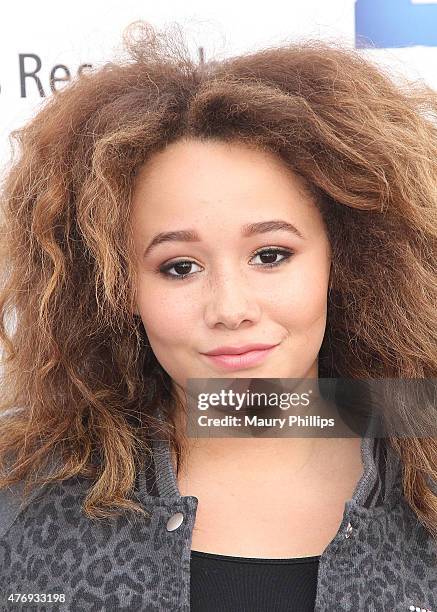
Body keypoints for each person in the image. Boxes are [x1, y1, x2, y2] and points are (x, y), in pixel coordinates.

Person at [0, 21, 436, 612]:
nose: (230, 309)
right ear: (116, 285)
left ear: (344, 260)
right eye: (179, 267)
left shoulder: (422, 452)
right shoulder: (19, 488)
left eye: (271, 255)